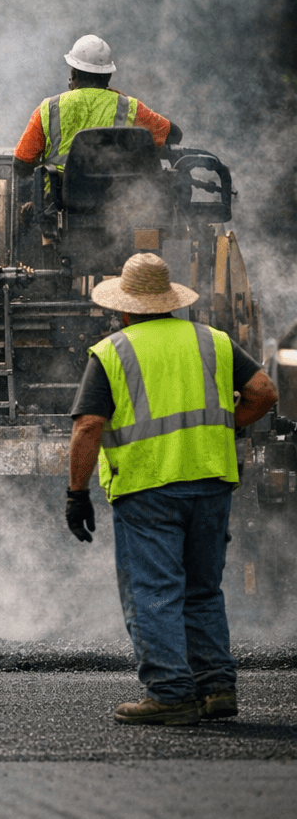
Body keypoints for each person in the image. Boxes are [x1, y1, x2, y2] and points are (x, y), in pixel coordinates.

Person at [67, 252, 276, 725]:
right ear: (171, 303)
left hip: (149, 487)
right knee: (202, 589)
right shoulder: (214, 342)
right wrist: (225, 430)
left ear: (124, 308)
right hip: (211, 481)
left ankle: (170, 693)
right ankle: (216, 688)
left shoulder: (113, 351)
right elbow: (264, 393)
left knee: (154, 591)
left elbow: (88, 427)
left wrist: (76, 493)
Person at [14, 34, 183, 199]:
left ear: (73, 74)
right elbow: (174, 134)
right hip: (119, 206)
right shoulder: (129, 107)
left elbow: (21, 165)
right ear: (109, 75)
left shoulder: (49, 108)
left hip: (60, 205)